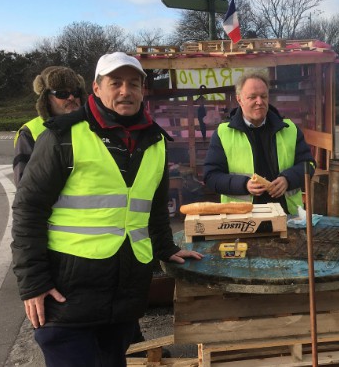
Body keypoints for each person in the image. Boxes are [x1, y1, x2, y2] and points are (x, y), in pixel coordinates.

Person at [11, 52, 203, 367]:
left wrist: (166, 248)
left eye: (133, 84)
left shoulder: (154, 141)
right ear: (97, 89)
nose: (125, 91)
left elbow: (153, 208)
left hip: (124, 295)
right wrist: (33, 282)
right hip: (67, 296)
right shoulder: (63, 136)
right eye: (115, 83)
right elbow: (27, 211)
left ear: (143, 90)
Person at [203, 71, 315, 214]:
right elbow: (211, 176)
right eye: (252, 97)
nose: (259, 102)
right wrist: (244, 185)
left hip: (288, 216)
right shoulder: (223, 133)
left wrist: (288, 179)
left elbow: (309, 165)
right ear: (239, 100)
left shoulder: (290, 129)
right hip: (241, 219)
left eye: (263, 96)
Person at [13, 66, 86, 184]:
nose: (71, 98)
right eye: (62, 94)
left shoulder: (93, 125)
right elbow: (24, 186)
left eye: (75, 92)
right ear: (46, 98)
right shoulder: (29, 132)